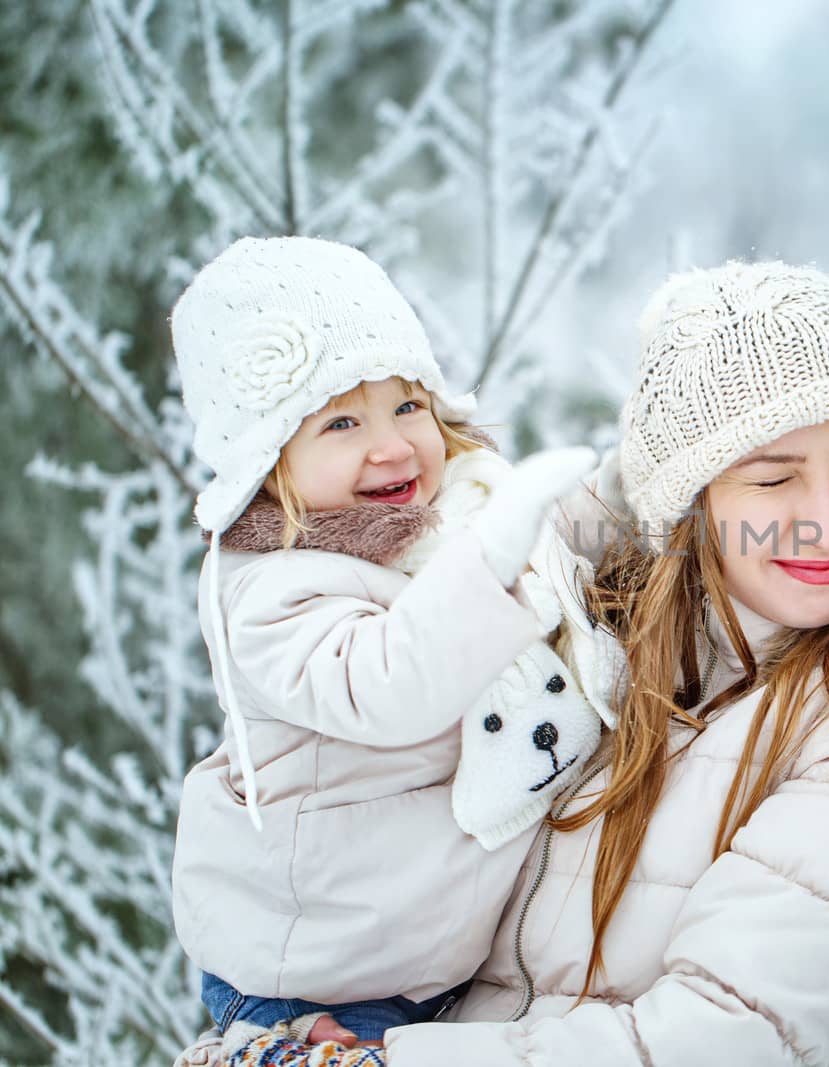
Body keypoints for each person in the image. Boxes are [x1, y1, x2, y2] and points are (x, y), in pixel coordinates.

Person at [366, 260, 829, 1065]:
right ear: (690, 501)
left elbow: (717, 1038)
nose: (827, 521)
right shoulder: (605, 634)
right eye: (773, 477)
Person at [166, 236, 601, 1063]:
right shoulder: (272, 593)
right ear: (269, 464)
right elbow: (390, 683)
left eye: (409, 406)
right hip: (322, 983)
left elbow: (561, 545)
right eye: (342, 421)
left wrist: (617, 502)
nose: (395, 444)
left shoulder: (453, 515)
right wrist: (491, 561)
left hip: (422, 960)